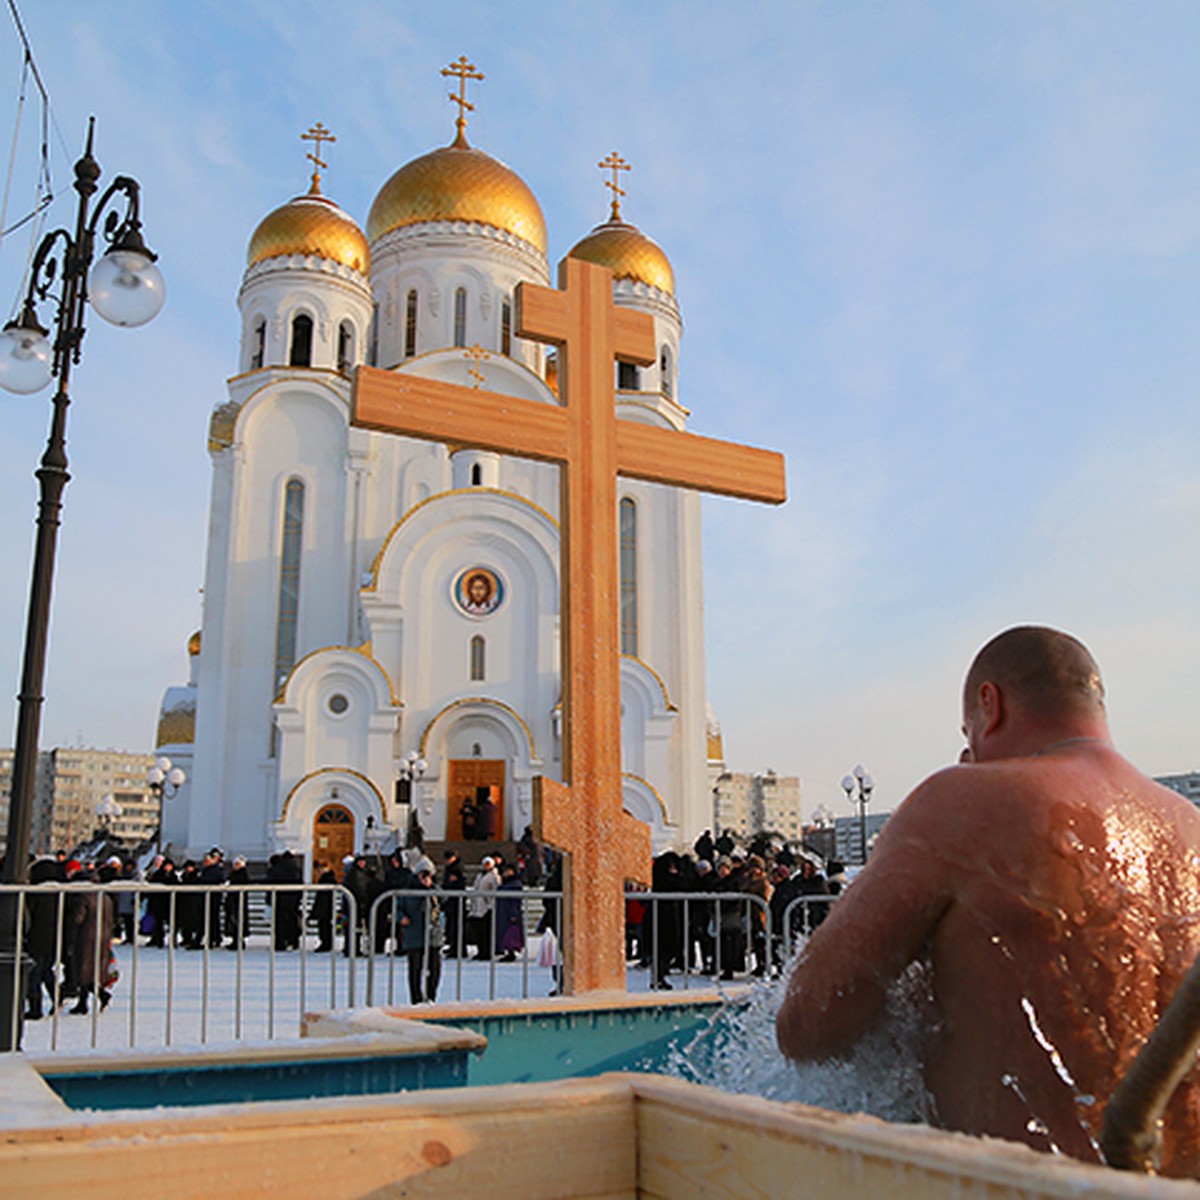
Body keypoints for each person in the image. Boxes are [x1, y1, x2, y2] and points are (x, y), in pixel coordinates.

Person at [776, 626, 1200, 1178]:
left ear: (989, 705)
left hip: (1030, 1190)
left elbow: (809, 1025)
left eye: (967, 732)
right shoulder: (1190, 827)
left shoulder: (965, 801)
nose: (969, 750)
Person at [398, 857, 443, 1003]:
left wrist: (430, 887)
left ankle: (431, 996)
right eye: (422, 873)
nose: (425, 877)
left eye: (428, 874)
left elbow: (444, 899)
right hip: (414, 933)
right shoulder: (408, 889)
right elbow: (397, 906)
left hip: (432, 934)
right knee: (415, 969)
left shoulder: (434, 889)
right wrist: (402, 917)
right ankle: (416, 998)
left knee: (434, 968)